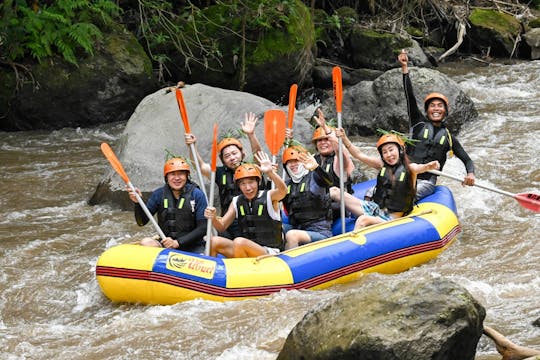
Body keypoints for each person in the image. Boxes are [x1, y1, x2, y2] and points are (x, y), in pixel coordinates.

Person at [398, 49, 475, 199]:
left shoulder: (448, 137)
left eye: (440, 106)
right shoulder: (418, 123)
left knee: (407, 195)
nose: (436, 109)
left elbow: (467, 160)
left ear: (445, 111)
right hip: (406, 173)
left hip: (427, 181)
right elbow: (410, 97)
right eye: (432, 106)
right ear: (427, 110)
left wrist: (470, 173)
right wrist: (404, 69)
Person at [336, 130, 440, 229]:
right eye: (385, 152)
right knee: (334, 191)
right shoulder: (381, 165)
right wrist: (344, 138)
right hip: (375, 209)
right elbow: (359, 155)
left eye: (391, 150)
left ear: (400, 150)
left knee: (362, 220)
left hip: (392, 218)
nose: (389, 155)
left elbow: (422, 168)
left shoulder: (411, 169)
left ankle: (353, 245)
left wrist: (430, 166)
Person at [185, 112, 263, 238]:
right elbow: (200, 167)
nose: (232, 158)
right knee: (212, 236)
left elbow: (258, 155)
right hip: (229, 223)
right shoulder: (220, 173)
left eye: (234, 153)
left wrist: (251, 135)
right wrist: (192, 147)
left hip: (254, 220)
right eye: (227, 156)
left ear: (242, 154)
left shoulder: (252, 168)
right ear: (223, 160)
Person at [204, 151, 287, 258]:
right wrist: (213, 217)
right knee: (214, 241)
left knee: (239, 242)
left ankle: (240, 271)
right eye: (243, 184)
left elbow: (283, 191)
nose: (248, 188)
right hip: (245, 250)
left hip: (269, 252)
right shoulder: (236, 201)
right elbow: (221, 227)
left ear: (258, 182)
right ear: (239, 186)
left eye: (251, 182)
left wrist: (270, 173)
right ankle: (213, 273)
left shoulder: (269, 196)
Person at [127, 157, 208, 253]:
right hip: (166, 244)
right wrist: (137, 203)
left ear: (187, 176)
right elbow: (142, 222)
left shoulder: (197, 194)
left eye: (181, 174)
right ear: (167, 177)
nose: (177, 178)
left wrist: (177, 242)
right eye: (173, 174)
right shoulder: (159, 194)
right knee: (146, 242)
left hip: (192, 245)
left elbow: (203, 228)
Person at [281, 145, 334, 249]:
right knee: (275, 229)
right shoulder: (287, 185)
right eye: (289, 162)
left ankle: (291, 264)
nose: (293, 164)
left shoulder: (314, 178)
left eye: (296, 160)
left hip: (320, 232)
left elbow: (328, 181)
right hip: (298, 227)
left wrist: (316, 168)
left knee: (292, 235)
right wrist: (270, 176)